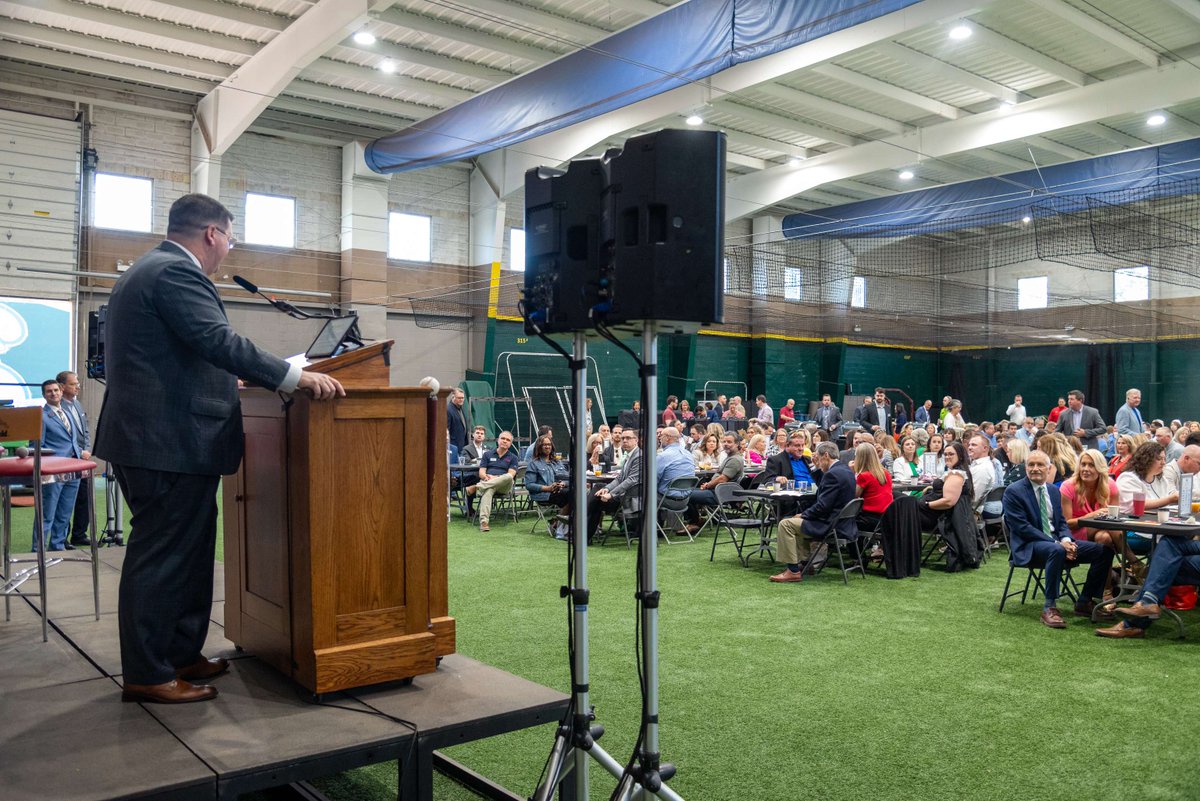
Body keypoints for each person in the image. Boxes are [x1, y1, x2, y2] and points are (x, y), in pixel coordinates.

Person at [93, 193, 344, 705]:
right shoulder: (174, 272)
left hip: (166, 438)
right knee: (162, 556)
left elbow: (185, 354)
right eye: (230, 239)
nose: (229, 249)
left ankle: (179, 654)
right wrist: (294, 376)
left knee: (186, 553)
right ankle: (147, 671)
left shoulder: (151, 269)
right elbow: (218, 341)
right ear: (212, 234)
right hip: (165, 440)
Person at [1003, 450, 1114, 628]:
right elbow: (1022, 528)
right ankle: (1050, 607)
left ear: (1049, 469)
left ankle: (1085, 600)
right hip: (1028, 546)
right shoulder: (1013, 491)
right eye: (1031, 465)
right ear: (1025, 468)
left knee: (1104, 551)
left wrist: (1066, 539)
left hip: (1056, 543)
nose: (1035, 469)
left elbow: (1062, 523)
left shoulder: (1054, 491)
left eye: (1040, 465)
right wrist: (1058, 543)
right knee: (1056, 550)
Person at [770, 442, 856, 582]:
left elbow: (822, 506)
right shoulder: (845, 470)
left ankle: (792, 571)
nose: (817, 460)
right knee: (796, 522)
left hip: (830, 525)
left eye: (818, 457)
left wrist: (803, 514)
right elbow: (823, 487)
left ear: (826, 455)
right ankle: (805, 564)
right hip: (844, 523)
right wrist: (817, 467)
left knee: (786, 524)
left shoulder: (833, 474)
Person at [32, 379, 82, 553]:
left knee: (64, 513)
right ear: (44, 395)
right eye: (49, 391)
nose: (53, 393)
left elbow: (72, 440)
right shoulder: (41, 416)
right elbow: (35, 447)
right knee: (47, 513)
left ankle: (57, 546)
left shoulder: (67, 412)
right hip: (52, 471)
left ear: (61, 391)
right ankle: (37, 550)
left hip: (73, 468)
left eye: (55, 390)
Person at [56, 370, 93, 547]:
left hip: (82, 460)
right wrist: (79, 451)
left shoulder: (76, 404)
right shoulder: (58, 407)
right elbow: (65, 437)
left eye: (77, 383)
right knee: (66, 500)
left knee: (84, 497)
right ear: (62, 387)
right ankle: (62, 538)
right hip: (67, 460)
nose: (78, 386)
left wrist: (86, 449)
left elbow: (84, 430)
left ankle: (79, 534)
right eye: (73, 383)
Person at [585, 430, 641, 543]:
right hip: (625, 496)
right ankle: (585, 535)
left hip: (631, 500)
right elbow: (620, 479)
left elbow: (631, 480)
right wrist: (606, 489)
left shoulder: (639, 456)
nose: (624, 440)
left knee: (596, 500)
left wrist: (611, 494)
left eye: (628, 438)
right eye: (623, 438)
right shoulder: (630, 455)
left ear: (636, 440)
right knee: (599, 488)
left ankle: (581, 529)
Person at [468, 430, 519, 531]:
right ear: (498, 440)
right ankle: (484, 522)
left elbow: (511, 474)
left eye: (508, 440)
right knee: (489, 490)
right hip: (489, 482)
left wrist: (494, 478)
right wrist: (487, 477)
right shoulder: (487, 454)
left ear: (510, 443)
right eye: (503, 438)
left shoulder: (513, 457)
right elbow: (481, 473)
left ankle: (477, 486)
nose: (505, 441)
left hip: (504, 486)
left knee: (508, 477)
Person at [526, 435, 571, 537]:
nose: (547, 447)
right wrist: (548, 488)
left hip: (560, 491)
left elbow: (569, 478)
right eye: (544, 445)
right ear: (539, 447)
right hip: (543, 494)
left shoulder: (557, 462)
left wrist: (564, 484)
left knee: (577, 494)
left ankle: (558, 523)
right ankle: (561, 530)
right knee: (572, 495)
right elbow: (529, 485)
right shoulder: (533, 464)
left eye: (549, 444)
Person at [853, 442, 893, 531]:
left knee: (845, 521)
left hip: (870, 518)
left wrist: (852, 473)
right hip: (886, 517)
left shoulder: (864, 476)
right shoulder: (885, 473)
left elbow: (854, 496)